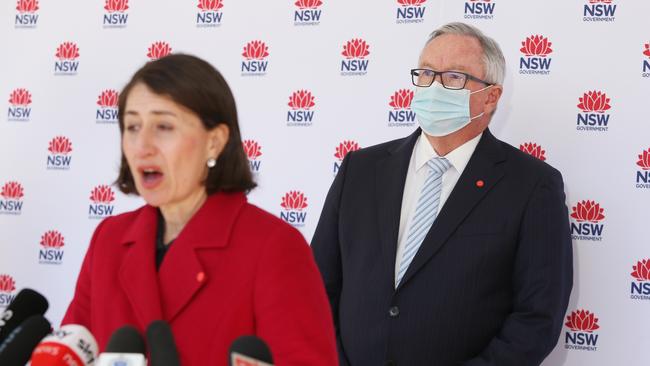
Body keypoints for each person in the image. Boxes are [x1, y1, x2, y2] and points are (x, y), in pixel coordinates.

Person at [311, 22, 573, 366]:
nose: (434, 86)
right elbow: (315, 287)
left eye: (454, 77)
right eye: (426, 73)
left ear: (491, 96)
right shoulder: (360, 170)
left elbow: (537, 318)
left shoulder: (532, 186)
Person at [63, 54, 338, 366]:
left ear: (215, 142)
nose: (142, 146)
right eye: (132, 126)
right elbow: (71, 351)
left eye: (164, 126)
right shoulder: (109, 240)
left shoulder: (273, 247)